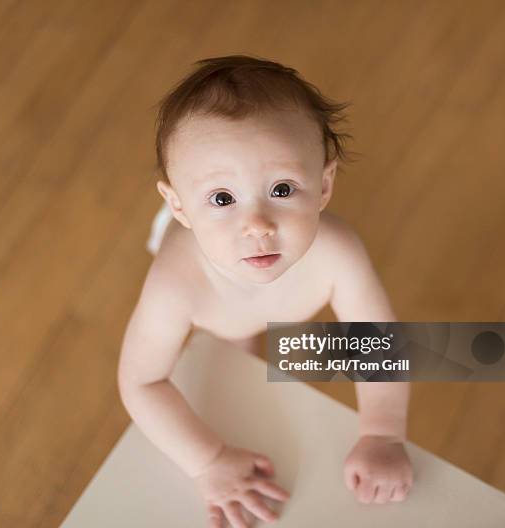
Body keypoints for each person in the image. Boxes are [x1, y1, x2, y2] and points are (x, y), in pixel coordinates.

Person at [118, 55, 413, 527]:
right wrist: (208, 461)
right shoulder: (174, 285)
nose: (256, 225)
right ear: (178, 205)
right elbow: (141, 381)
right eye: (222, 198)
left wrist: (383, 433)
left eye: (281, 188)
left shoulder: (338, 251)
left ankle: (241, 336)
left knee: (242, 343)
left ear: (324, 185)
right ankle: (238, 337)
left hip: (239, 285)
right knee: (231, 340)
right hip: (210, 294)